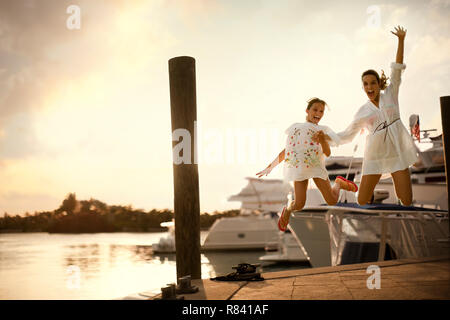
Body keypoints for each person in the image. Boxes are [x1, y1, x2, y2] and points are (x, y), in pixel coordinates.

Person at [331, 25, 418, 206]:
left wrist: (401, 40)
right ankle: (344, 185)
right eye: (366, 84)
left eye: (373, 83)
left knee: (407, 200)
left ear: (379, 84)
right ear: (363, 87)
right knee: (362, 200)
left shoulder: (391, 94)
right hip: (375, 155)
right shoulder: (363, 111)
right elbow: (347, 134)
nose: (369, 87)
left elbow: (397, 69)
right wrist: (324, 138)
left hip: (396, 152)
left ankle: (401, 228)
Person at [256, 98, 357, 231]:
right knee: (299, 204)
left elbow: (327, 153)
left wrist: (322, 139)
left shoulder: (323, 130)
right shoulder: (295, 128)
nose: (318, 113)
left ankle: (338, 183)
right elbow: (287, 151)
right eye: (315, 110)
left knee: (332, 201)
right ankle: (287, 210)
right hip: (299, 169)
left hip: (315, 167)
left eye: (321, 111)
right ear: (307, 110)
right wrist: (270, 166)